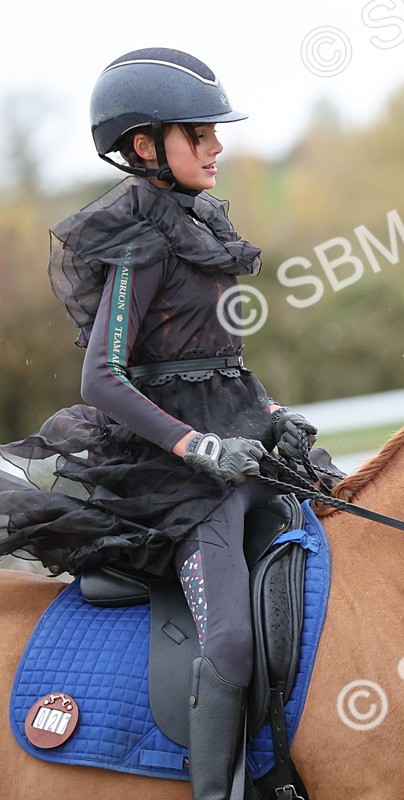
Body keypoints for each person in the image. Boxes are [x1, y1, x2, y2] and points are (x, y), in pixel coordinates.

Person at [0, 48, 328, 800]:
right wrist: (199, 446)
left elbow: (215, 364)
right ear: (146, 145)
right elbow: (101, 378)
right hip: (173, 477)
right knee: (231, 641)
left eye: (214, 132)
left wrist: (273, 415)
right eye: (199, 134)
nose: (217, 146)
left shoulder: (199, 223)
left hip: (237, 447)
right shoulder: (140, 242)